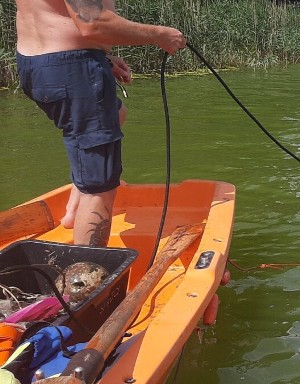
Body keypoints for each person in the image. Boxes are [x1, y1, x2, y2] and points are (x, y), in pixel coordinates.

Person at [15, 0, 186, 246]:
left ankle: (75, 208)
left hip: (37, 63)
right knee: (101, 188)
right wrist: (160, 35)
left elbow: (54, 16)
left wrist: (100, 55)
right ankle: (86, 277)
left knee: (117, 113)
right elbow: (93, 22)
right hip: (71, 68)